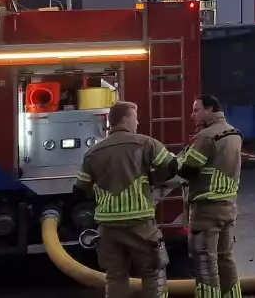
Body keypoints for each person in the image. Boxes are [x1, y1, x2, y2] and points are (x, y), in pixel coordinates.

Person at [73, 101, 177, 298]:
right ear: (125, 118)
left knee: (115, 277)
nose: (137, 122)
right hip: (141, 224)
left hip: (108, 226)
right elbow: (171, 166)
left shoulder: (93, 153)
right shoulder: (146, 143)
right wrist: (153, 180)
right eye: (135, 117)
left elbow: (79, 189)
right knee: (152, 273)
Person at [179, 95, 244, 298]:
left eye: (196, 110)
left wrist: (176, 161)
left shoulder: (207, 136)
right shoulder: (234, 133)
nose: (193, 115)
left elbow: (188, 169)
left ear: (209, 110)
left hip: (206, 208)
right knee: (226, 258)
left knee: (205, 260)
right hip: (229, 206)